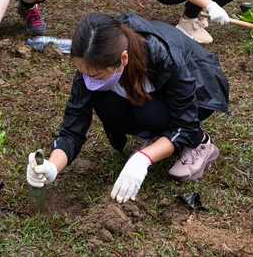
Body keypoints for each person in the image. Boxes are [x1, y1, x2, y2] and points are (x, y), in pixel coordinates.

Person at [25, 12, 229, 203]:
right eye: (83, 73)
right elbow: (74, 124)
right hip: (151, 96)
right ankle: (159, 139)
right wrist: (53, 165)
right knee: (107, 106)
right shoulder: (92, 62)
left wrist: (144, 158)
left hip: (201, 91)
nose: (87, 80)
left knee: (149, 112)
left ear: (123, 59)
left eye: (95, 75)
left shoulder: (161, 55)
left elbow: (185, 122)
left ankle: (200, 143)